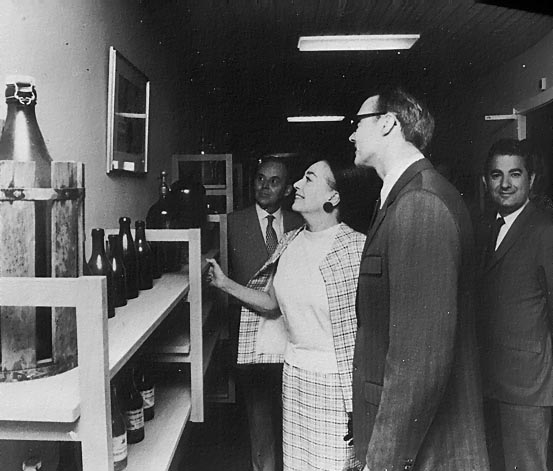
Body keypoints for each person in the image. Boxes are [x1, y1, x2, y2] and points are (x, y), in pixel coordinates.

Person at [349, 87, 489, 471]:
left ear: (388, 124)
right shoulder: (404, 197)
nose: (351, 134)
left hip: (426, 453)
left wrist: (382, 462)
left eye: (358, 123)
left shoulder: (419, 203)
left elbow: (418, 364)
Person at [207, 158, 366, 471]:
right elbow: (271, 304)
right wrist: (224, 283)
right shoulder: (290, 241)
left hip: (335, 388)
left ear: (333, 197)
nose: (296, 185)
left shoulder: (357, 248)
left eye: (309, 178)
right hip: (294, 377)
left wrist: (361, 404)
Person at [477, 139, 553, 471]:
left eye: (515, 174)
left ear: (531, 179)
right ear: (485, 182)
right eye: (497, 175)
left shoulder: (545, 230)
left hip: (528, 387)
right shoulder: (484, 227)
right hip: (488, 382)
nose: (505, 184)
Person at [228, 156, 302, 471]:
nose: (265, 186)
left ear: (287, 189)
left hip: (292, 335)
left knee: (294, 417)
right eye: (260, 178)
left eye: (274, 181)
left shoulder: (301, 223)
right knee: (259, 419)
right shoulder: (232, 223)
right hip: (253, 340)